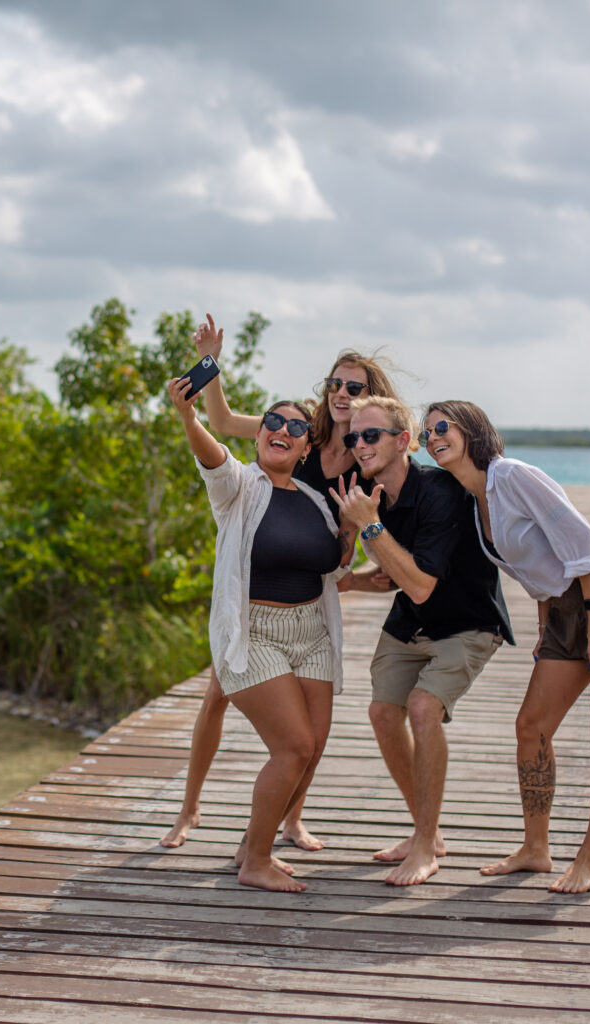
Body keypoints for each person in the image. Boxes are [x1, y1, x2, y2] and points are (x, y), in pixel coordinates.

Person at [161, 315, 401, 851]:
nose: (340, 393)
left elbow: (342, 541)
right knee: (218, 694)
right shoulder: (302, 434)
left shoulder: (366, 458)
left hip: (309, 585)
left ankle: (290, 819)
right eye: (334, 384)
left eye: (353, 387)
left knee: (310, 736)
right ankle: (190, 807)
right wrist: (209, 366)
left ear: (371, 397)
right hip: (256, 557)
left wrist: (360, 577)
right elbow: (218, 425)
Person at [420, 400, 590, 893]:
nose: (433, 437)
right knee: (532, 726)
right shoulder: (474, 501)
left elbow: (579, 540)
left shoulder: (510, 475)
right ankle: (536, 849)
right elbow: (531, 565)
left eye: (442, 426)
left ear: (472, 431)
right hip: (562, 610)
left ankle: (588, 859)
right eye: (426, 432)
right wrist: (545, 621)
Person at [167, 377, 354, 891]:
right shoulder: (240, 487)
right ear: (259, 435)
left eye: (296, 426)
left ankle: (252, 845)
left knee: (312, 748)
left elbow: (332, 564)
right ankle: (257, 862)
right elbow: (214, 455)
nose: (282, 429)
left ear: (305, 446)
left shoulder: (318, 500)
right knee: (292, 747)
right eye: (273, 420)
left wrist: (354, 531)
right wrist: (189, 418)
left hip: (313, 632)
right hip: (254, 634)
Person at [331, 395, 514, 886]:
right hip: (412, 620)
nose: (360, 445)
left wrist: (368, 525)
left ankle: (426, 846)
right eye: (353, 438)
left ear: (403, 442)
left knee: (422, 707)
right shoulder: (376, 497)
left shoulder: (439, 492)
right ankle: (425, 834)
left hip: (467, 620)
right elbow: (395, 578)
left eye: (371, 436)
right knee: (381, 712)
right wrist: (355, 578)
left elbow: (420, 582)